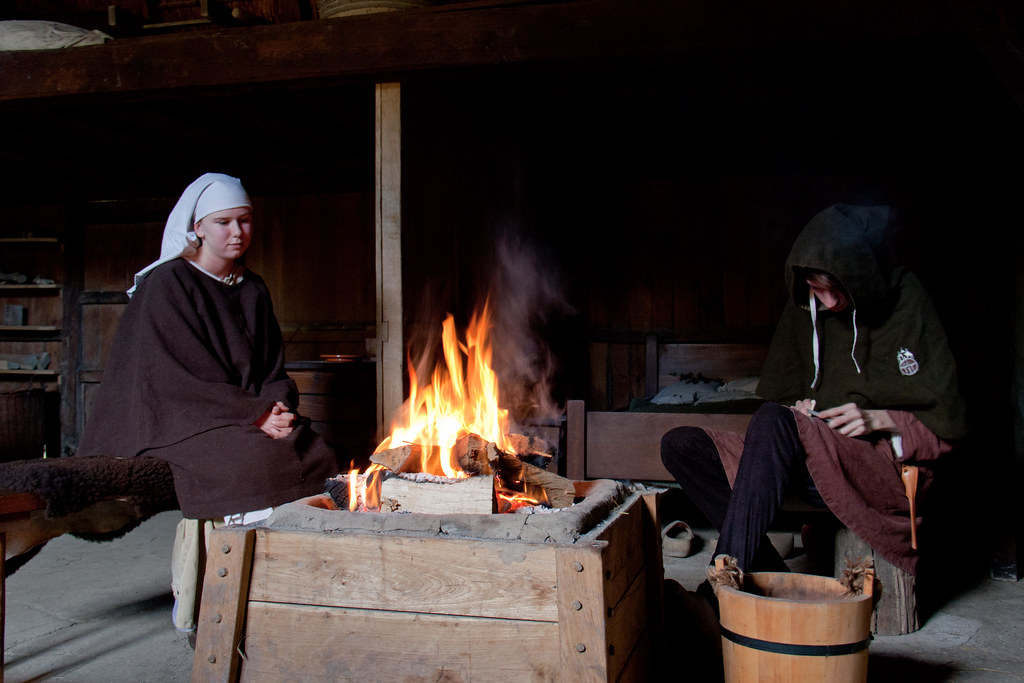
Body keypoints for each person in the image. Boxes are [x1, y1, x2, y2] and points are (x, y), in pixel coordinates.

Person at [77, 173, 341, 632]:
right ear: (197, 227)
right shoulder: (168, 285)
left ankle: (294, 583)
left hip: (239, 415)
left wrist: (275, 406)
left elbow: (272, 369)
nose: (236, 232)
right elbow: (174, 380)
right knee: (250, 462)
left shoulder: (253, 288)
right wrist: (254, 415)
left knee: (316, 450)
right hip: (175, 418)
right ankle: (211, 589)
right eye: (223, 223)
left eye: (245, 221)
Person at [660, 204, 968, 583]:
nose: (829, 303)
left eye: (838, 290)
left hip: (874, 469)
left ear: (861, 277)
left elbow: (948, 429)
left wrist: (879, 419)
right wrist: (799, 411)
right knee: (680, 444)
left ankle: (723, 587)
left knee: (775, 421)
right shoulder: (805, 310)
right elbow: (786, 401)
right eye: (816, 291)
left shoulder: (905, 301)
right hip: (812, 463)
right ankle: (769, 577)